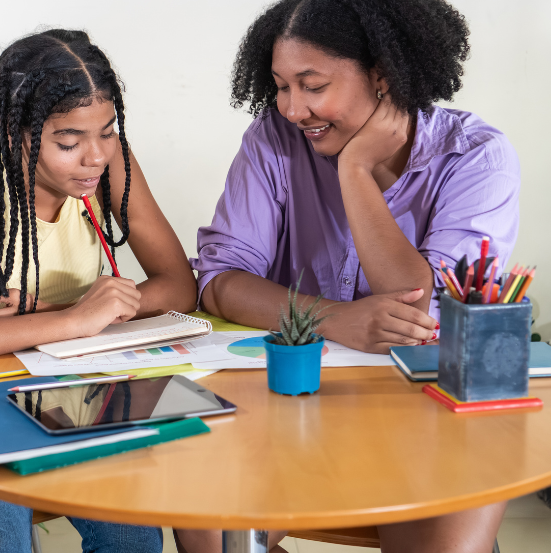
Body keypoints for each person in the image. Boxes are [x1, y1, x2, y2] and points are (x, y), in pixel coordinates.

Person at [190, 0, 517, 551]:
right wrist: (334, 319)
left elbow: (419, 308)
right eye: (281, 85)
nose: (293, 108)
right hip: (286, 400)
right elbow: (220, 280)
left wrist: (355, 170)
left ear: (383, 77)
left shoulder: (476, 156)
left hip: (422, 412)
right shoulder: (273, 139)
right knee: (211, 534)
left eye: (312, 85)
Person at [0, 29, 197, 553]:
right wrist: (73, 321)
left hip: (71, 392)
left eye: (107, 131)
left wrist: (63, 309)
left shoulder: (109, 167)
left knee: (135, 541)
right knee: (2, 544)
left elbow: (178, 288)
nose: (95, 156)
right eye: (69, 142)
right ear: (16, 134)